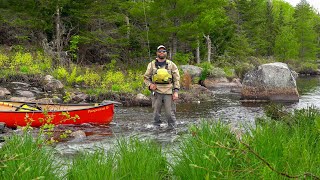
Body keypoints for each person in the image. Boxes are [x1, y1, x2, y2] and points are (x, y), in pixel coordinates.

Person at [144, 45, 180, 129]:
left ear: (166, 53)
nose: (161, 53)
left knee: (169, 113)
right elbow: (146, 78)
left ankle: (173, 128)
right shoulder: (151, 64)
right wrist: (150, 85)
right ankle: (156, 129)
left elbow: (176, 79)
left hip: (168, 92)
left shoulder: (171, 64)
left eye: (163, 51)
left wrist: (176, 92)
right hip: (156, 91)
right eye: (160, 51)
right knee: (156, 113)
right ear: (157, 53)